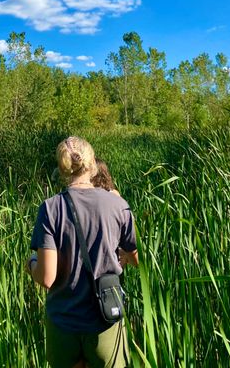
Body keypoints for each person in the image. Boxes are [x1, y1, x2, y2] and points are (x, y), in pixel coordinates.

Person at [26, 136, 138, 368]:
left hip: (64, 324)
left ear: (62, 168)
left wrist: (31, 264)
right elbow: (139, 259)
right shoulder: (118, 205)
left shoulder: (50, 208)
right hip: (105, 322)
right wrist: (123, 258)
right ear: (93, 163)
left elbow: (47, 278)